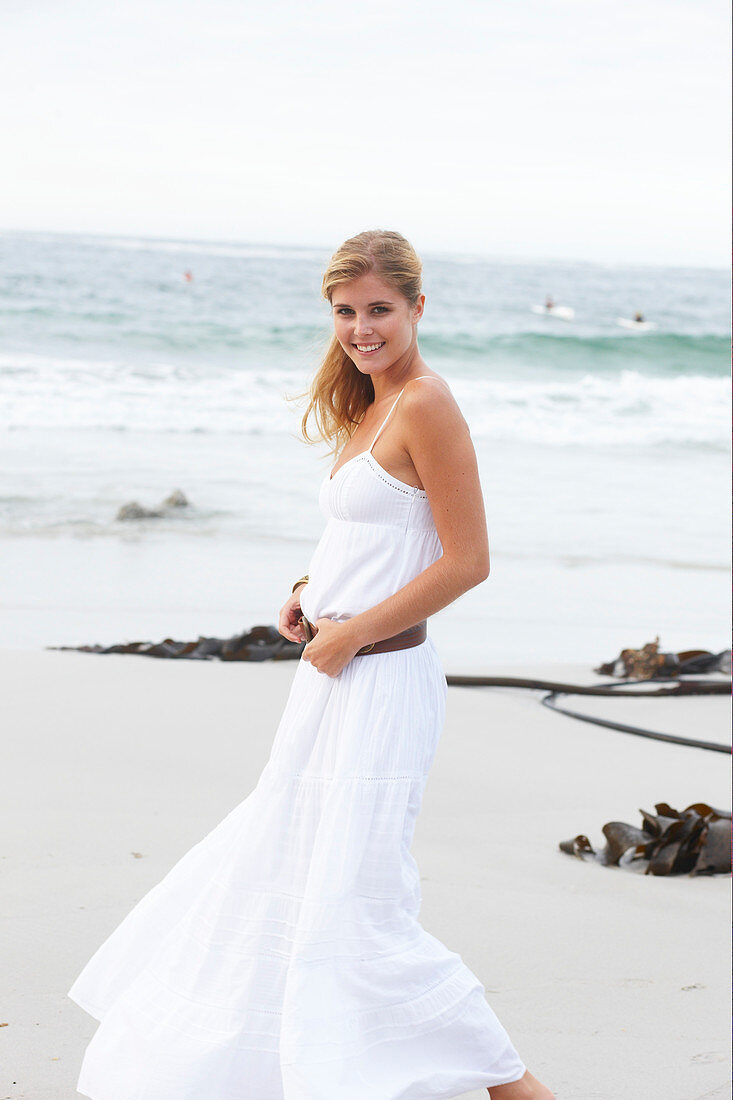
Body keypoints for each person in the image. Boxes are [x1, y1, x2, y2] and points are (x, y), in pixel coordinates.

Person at [67, 229, 554, 1100]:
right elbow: (372, 531)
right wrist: (308, 589)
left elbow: (467, 560)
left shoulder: (427, 404)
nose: (361, 329)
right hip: (335, 678)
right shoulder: (367, 401)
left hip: (382, 684)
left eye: (378, 311)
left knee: (359, 904)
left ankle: (515, 1088)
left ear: (415, 308)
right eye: (344, 312)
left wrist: (355, 631)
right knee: (291, 873)